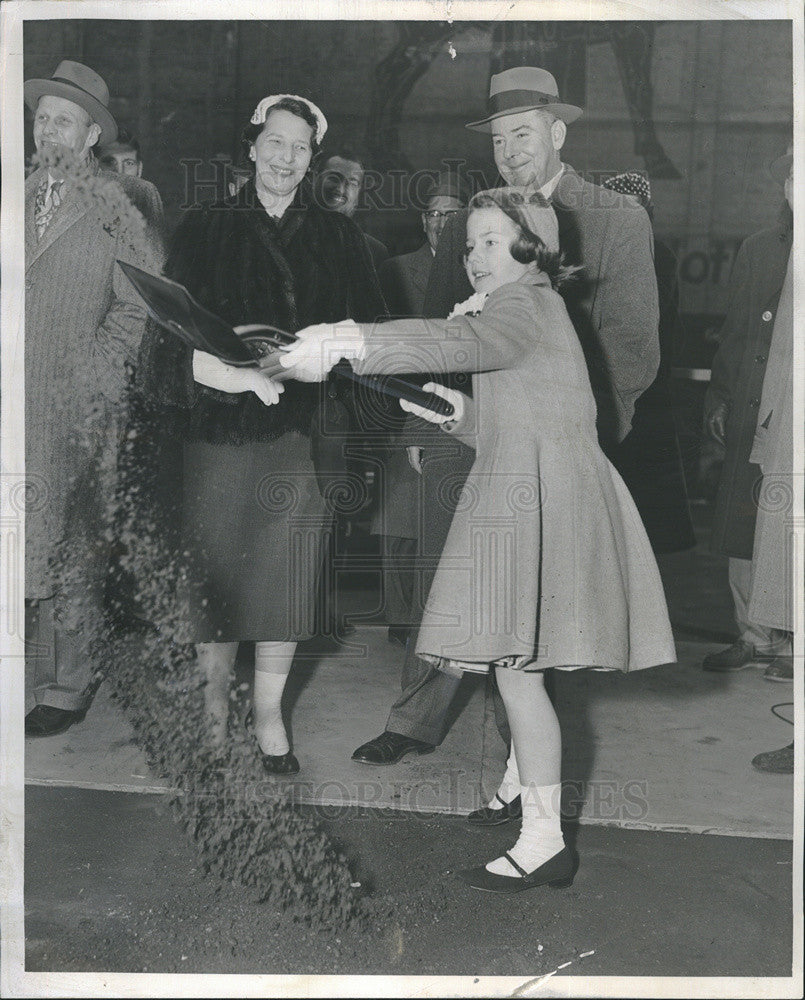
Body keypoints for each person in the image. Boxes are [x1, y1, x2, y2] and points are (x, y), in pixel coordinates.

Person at [281, 189, 675, 891]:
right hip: (541, 484)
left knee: (515, 672)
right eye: (469, 244)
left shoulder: (522, 303)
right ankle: (520, 794)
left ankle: (544, 841)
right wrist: (451, 408)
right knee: (524, 657)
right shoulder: (535, 311)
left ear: (531, 248)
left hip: (537, 495)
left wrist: (349, 340)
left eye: (493, 241)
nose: (474, 256)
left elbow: (453, 340)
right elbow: (509, 414)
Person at [351, 65, 662, 779]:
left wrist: (579, 445)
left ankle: (523, 772)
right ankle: (414, 721)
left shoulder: (614, 216)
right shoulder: (476, 219)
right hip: (466, 429)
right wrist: (429, 433)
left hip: (554, 445)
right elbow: (440, 333)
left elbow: (633, 346)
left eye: (523, 133)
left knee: (536, 617)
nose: (509, 149)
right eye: (498, 138)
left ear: (557, 132)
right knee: (451, 584)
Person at [136, 94, 385, 773]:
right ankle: (211, 718)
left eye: (298, 148)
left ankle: (270, 715)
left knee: (285, 588)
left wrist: (329, 364)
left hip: (303, 439)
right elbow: (159, 333)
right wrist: (219, 374)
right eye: (274, 142)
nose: (284, 157)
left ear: (312, 161)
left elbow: (375, 341)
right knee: (213, 587)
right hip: (216, 436)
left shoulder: (339, 238)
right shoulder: (205, 228)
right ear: (251, 148)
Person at [23, 60, 165, 739]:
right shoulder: (11, 195)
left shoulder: (121, 204)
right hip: (11, 401)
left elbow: (138, 311)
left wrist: (96, 376)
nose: (49, 129)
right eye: (43, 116)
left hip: (78, 401)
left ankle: (64, 685)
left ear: (89, 138)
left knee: (72, 547)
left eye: (64, 121)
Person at [702, 145, 794, 681]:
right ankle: (754, 636)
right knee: (743, 523)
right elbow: (735, 331)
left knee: (790, 527)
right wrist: (719, 395)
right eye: (790, 178)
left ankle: (790, 644)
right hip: (751, 407)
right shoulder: (759, 248)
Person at [374, 174, 469, 646]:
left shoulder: (480, 268)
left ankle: (433, 614)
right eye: (432, 215)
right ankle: (399, 614)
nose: (439, 224)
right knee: (399, 518)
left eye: (450, 215)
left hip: (460, 407)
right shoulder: (396, 270)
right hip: (403, 405)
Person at [602, 172, 695, 554]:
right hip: (606, 399)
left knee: (644, 525)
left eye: (635, 213)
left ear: (649, 215)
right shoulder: (598, 256)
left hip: (646, 400)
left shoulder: (661, 259)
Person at [314, 146, 389, 268]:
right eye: (333, 178)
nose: (340, 189)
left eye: (353, 182)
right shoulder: (289, 238)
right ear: (315, 179)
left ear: (359, 193)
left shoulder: (375, 251)